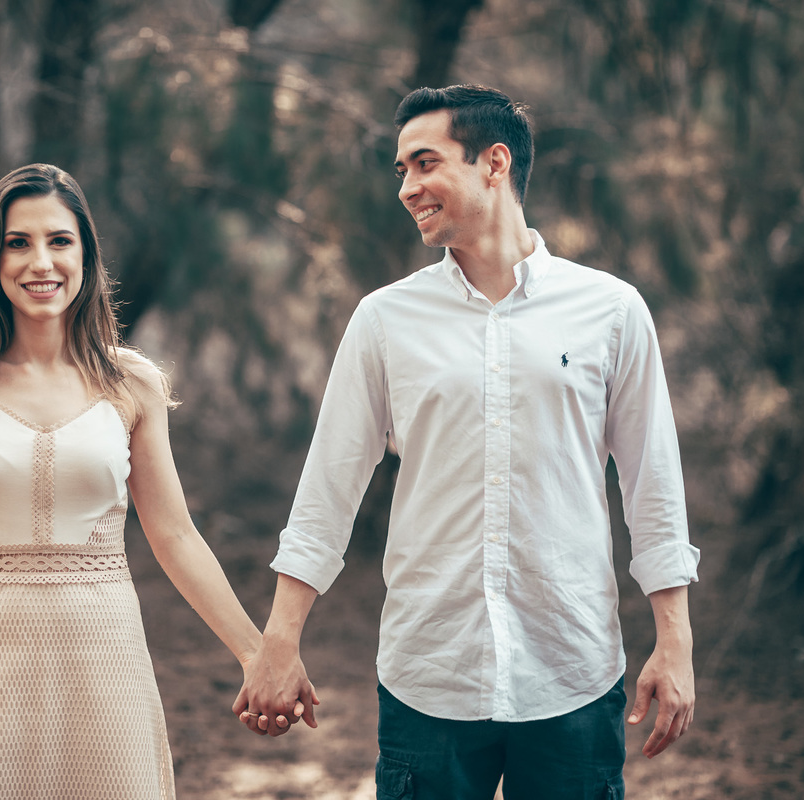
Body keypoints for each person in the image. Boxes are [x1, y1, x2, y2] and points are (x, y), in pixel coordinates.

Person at [233, 85, 700, 799]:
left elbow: (653, 487)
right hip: (430, 677)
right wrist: (278, 640)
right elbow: (328, 489)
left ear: (495, 162)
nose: (408, 188)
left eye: (424, 164)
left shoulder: (610, 310)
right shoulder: (385, 320)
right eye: (400, 172)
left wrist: (675, 641)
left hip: (572, 672)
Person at [0, 163, 285, 799]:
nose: (41, 262)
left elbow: (174, 533)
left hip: (104, 654)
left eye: (59, 241)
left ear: (85, 255)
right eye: (19, 243)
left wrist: (255, 652)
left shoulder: (133, 383)